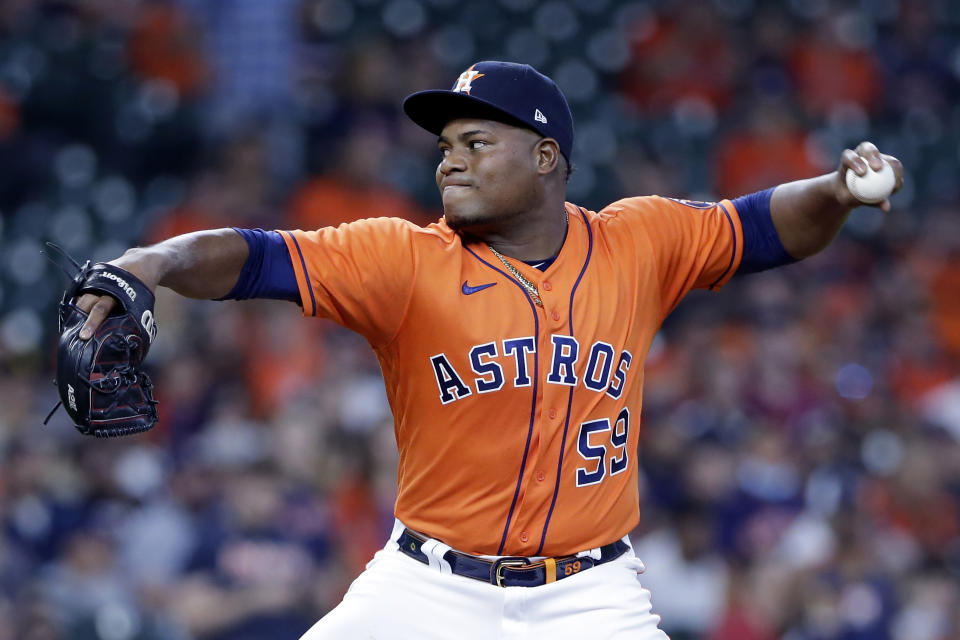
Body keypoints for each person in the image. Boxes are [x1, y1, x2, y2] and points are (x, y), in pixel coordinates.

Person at [73, 61, 903, 639]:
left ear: (547, 158)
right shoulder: (403, 260)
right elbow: (253, 255)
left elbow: (763, 226)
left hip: (589, 596)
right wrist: (150, 263)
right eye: (445, 147)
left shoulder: (639, 241)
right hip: (426, 587)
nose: (451, 161)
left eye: (477, 143)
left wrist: (834, 192)